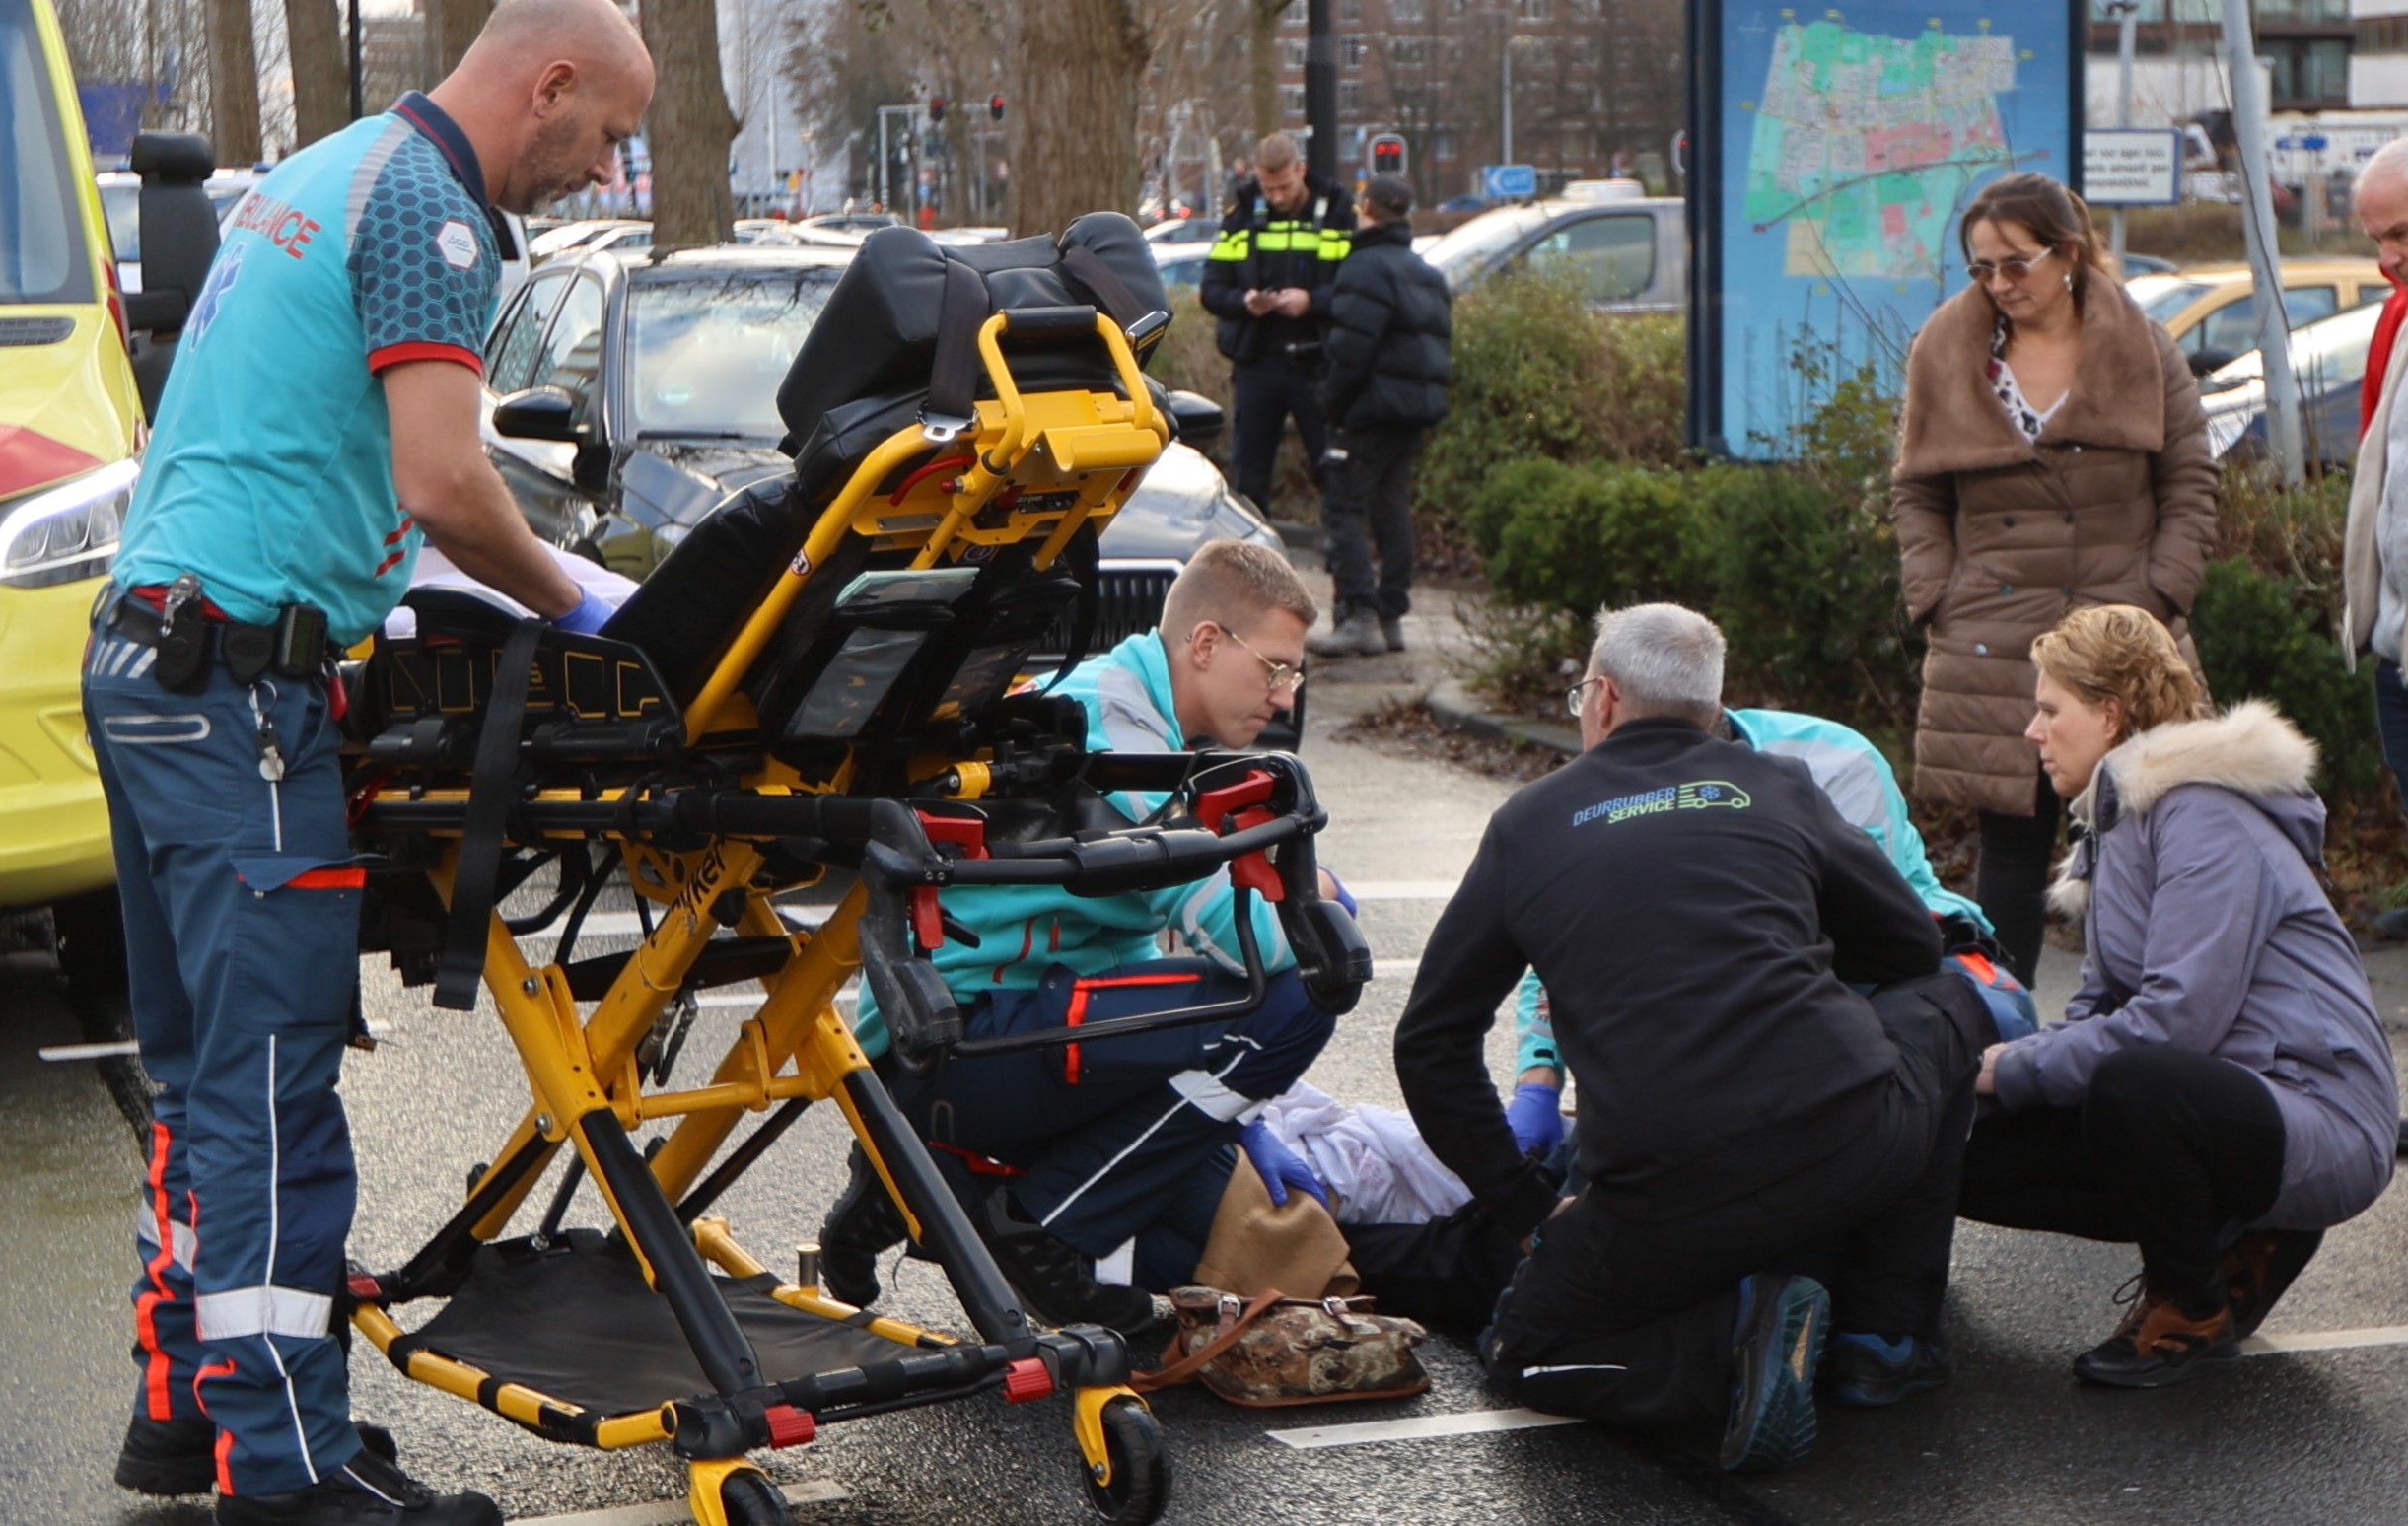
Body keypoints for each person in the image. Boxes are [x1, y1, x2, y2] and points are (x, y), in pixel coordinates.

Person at [85, 0, 651, 1526]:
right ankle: (287, 1467)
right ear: (545, 87)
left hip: (147, 654)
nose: (602, 172)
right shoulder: (432, 211)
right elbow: (445, 478)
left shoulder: (323, 168)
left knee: (205, 1074)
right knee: (270, 1089)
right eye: (605, 135)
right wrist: (592, 609)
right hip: (236, 690)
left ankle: (187, 1413)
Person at [1395, 604, 1987, 1473]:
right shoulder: (1778, 781)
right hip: (1851, 1129)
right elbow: (1910, 945)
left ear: (1600, 697)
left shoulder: (1529, 823)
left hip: (1667, 1183)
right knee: (1950, 998)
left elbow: (1431, 1041)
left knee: (1526, 1352)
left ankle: (1736, 1336)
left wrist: (1524, 1207)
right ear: (1714, 710)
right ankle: (1885, 1336)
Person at [815, 539, 1343, 1333]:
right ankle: (1041, 1225)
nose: (1282, 699)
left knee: (1193, 1238)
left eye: (1291, 675)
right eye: (1274, 669)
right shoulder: (1117, 734)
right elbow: (1268, 952)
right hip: (962, 1039)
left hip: (961, 1039)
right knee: (1307, 989)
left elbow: (1121, 945)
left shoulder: (1125, 707)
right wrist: (1325, 893)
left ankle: (914, 1184)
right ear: (1205, 643)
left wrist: (1239, 1116)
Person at [1962, 604, 2399, 1387]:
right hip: (2225, 1099)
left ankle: (2190, 1304)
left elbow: (2176, 1021)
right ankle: (2245, 1238)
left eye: (2048, 708)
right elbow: (2098, 1005)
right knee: (1967, 1146)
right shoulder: (2121, 819)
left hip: (2319, 1114)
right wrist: (1988, 1077)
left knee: (2135, 1081)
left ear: (2109, 713)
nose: (2033, 730)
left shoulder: (2203, 815)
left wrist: (2008, 1068)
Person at [1895, 170, 2214, 986]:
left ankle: (2128, 1055)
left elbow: (2188, 481)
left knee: (2143, 845)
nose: (1998, 285)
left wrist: (2161, 593)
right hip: (1994, 640)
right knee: (2008, 855)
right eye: (1979, 270)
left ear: (2066, 253)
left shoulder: (2141, 343)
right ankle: (1996, 1053)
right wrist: (1934, 591)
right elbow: (1917, 490)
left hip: (2124, 635)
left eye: (2015, 264)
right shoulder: (1947, 347)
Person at [1500, 706, 2020, 1165]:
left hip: (1897, 965)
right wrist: (1538, 1082)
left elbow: (1858, 943)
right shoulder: (1610, 793)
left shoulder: (1832, 762)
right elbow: (1565, 943)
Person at [1308, 172, 1452, 659]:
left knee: (1342, 506)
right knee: (1391, 508)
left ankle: (1360, 615)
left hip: (1368, 410)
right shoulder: (1424, 272)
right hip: (1410, 413)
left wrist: (1331, 402)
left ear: (1366, 208)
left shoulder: (1364, 268)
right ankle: (1391, 616)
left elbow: (1351, 351)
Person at [1199, 132, 1357, 520]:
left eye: (1284, 187)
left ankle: (1344, 564)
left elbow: (1357, 289)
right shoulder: (1242, 218)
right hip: (1259, 360)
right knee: (1249, 475)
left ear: (1301, 170)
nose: (1277, 198)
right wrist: (1246, 302)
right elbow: (1212, 289)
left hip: (1317, 361)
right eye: (1269, 189)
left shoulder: (1337, 212)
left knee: (1333, 473)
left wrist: (1311, 302)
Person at [2335, 142, 2408, 936]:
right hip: (2393, 636)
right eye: (2376, 240)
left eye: (2403, 235)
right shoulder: (2398, 314)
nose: (2387, 260)